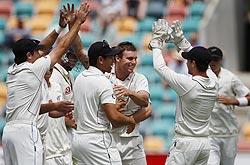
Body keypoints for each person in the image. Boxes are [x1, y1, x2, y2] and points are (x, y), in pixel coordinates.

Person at [2, 3, 90, 165]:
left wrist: (59, 27)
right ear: (29, 55)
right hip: (26, 132)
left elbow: (43, 47)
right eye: (36, 52)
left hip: (9, 132)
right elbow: (62, 47)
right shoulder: (33, 70)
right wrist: (77, 23)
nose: (41, 53)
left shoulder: (12, 69)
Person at [149, 19, 217, 165]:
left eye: (188, 60)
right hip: (204, 144)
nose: (186, 62)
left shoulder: (188, 85)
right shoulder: (214, 80)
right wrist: (181, 40)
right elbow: (199, 57)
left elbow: (160, 68)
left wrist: (156, 43)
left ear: (193, 63)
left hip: (185, 144)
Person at [72, 40, 137, 165]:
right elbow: (114, 118)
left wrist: (113, 106)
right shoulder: (103, 81)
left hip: (79, 139)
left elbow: (91, 107)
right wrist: (130, 120)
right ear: (101, 60)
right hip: (97, 141)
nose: (113, 61)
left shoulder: (80, 77)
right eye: (110, 57)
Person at [106, 41, 151, 165]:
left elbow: (146, 104)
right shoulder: (106, 77)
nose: (134, 62)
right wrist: (131, 120)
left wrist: (129, 93)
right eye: (130, 58)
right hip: (110, 138)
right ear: (117, 58)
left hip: (133, 139)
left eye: (135, 58)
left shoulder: (140, 78)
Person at [207, 46, 250, 165]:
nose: (212, 63)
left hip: (228, 133)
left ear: (221, 60)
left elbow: (249, 97)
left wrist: (234, 101)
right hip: (210, 134)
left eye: (215, 60)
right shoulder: (202, 76)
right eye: (210, 60)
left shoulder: (230, 78)